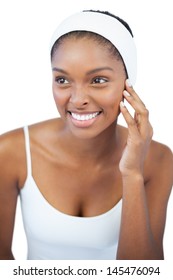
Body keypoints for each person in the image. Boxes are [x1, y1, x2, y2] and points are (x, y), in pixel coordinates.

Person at [0, 10, 172, 260]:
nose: (78, 99)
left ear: (128, 83)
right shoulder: (11, 151)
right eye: (62, 80)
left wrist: (133, 172)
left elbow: (144, 273)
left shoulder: (158, 159)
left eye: (98, 80)